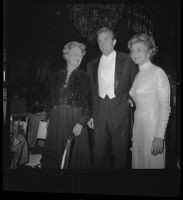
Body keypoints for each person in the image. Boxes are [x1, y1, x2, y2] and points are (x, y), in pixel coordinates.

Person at [87, 27, 138, 169]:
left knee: (121, 151)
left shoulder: (128, 59)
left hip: (120, 107)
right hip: (99, 109)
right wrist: (91, 114)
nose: (102, 43)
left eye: (106, 39)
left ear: (114, 41)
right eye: (99, 40)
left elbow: (135, 83)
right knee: (99, 152)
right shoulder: (91, 64)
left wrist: (131, 101)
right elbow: (91, 91)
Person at [41, 41, 92, 169]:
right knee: (56, 154)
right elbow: (50, 100)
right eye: (75, 53)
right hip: (57, 118)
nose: (78, 57)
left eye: (80, 55)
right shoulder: (56, 76)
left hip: (75, 118)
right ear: (66, 55)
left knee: (75, 155)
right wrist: (48, 118)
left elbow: (88, 102)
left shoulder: (85, 77)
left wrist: (81, 122)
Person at [128, 33, 171, 169]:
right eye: (132, 50)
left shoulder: (157, 72)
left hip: (152, 129)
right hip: (138, 129)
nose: (134, 53)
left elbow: (165, 107)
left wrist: (159, 136)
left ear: (149, 51)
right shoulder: (138, 75)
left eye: (139, 49)